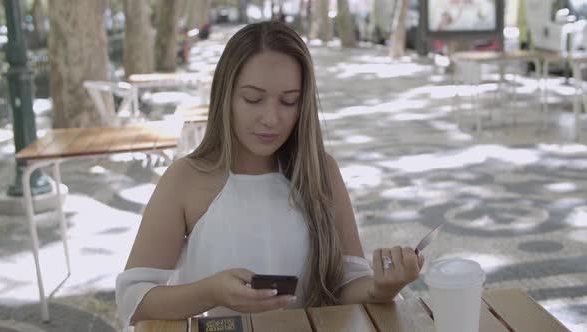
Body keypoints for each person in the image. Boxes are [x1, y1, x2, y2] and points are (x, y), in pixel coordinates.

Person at [115, 21, 424, 328]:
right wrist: (210, 292)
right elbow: (133, 299)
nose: (271, 119)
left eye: (289, 101)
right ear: (225, 96)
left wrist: (381, 286)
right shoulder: (185, 178)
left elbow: (348, 281)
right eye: (253, 99)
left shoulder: (321, 171)